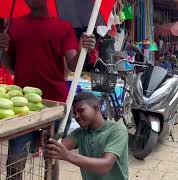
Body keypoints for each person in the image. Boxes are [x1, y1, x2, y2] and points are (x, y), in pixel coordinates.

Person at [0, 0, 96, 179]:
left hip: (56, 105)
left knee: (51, 159)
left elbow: (73, 65)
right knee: (15, 161)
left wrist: (84, 49)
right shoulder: (15, 25)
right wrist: (4, 49)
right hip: (25, 106)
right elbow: (11, 67)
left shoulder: (63, 27)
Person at [46, 92, 128, 180]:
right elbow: (58, 147)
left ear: (96, 108)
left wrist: (68, 156)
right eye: (74, 113)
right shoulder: (80, 133)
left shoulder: (117, 130)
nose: (77, 116)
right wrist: (48, 140)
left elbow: (105, 166)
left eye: (81, 110)